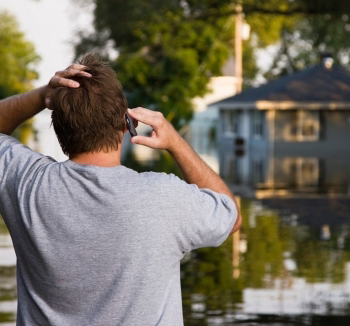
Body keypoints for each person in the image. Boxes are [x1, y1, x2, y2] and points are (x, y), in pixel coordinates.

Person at [0, 54, 241, 326]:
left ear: (58, 129)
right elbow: (230, 216)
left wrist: (43, 95)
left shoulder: (25, 183)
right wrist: (175, 142)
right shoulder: (164, 197)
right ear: (126, 124)